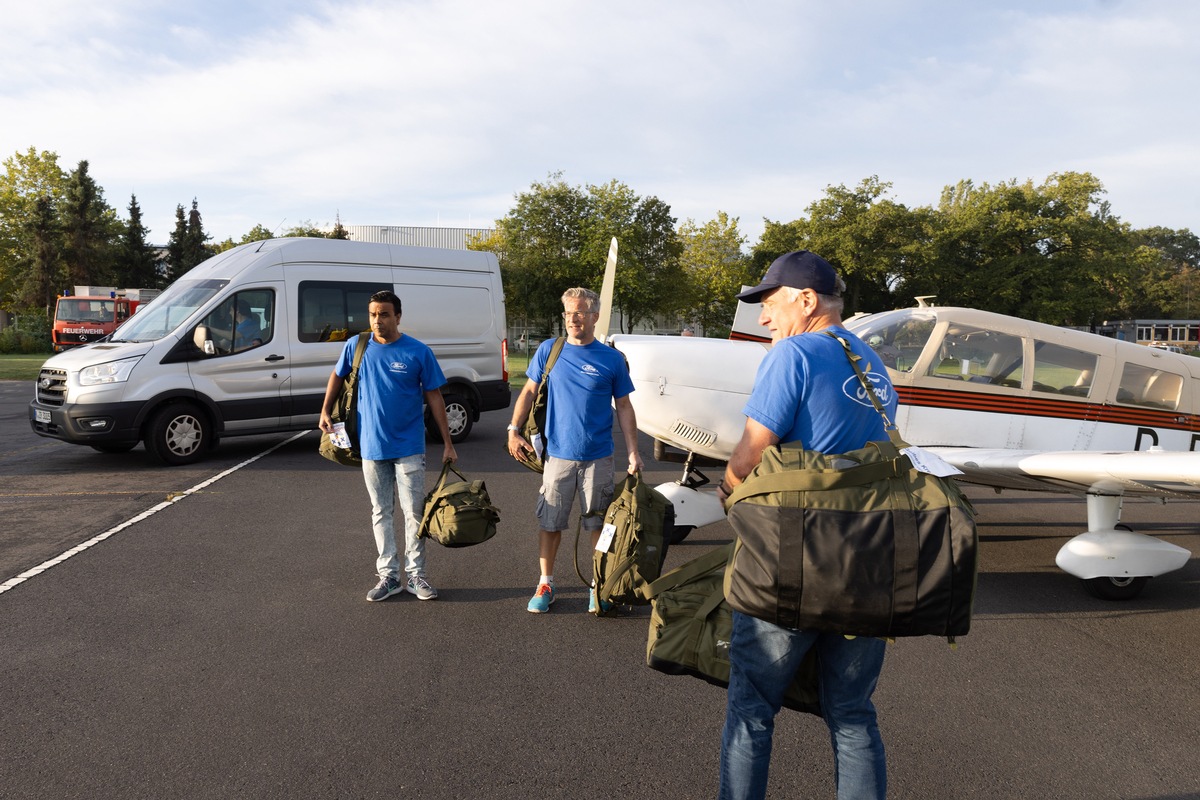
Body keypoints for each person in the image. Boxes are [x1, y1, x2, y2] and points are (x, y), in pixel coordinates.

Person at [715, 251, 898, 800]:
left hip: (796, 559)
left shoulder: (792, 354)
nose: (764, 319)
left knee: (751, 710)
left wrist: (725, 493)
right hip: (869, 563)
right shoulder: (872, 360)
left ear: (806, 300)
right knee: (851, 713)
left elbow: (751, 454)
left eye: (770, 305)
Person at [506, 287, 643, 614]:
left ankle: (599, 585)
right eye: (568, 313)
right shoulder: (550, 351)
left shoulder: (611, 360)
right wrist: (513, 430)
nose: (573, 319)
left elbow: (624, 406)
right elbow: (528, 391)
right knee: (550, 522)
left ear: (594, 316)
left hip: (599, 458)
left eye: (579, 312)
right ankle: (545, 583)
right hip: (558, 458)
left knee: (599, 526)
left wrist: (634, 453)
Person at [319, 289, 457, 602]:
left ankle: (417, 575)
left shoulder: (418, 352)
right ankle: (389, 577)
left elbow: (435, 396)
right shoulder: (358, 346)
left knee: (413, 513)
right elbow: (337, 376)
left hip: (409, 446)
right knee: (380, 511)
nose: (377, 320)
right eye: (373, 314)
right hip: (371, 446)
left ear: (398, 316)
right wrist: (325, 409)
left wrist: (447, 442)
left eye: (384, 314)